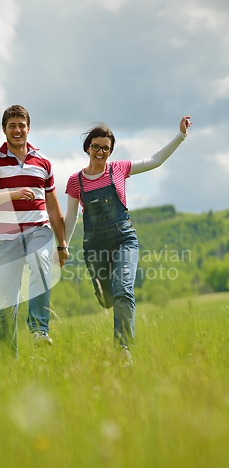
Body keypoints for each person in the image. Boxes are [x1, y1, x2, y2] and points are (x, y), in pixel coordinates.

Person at [64, 116, 192, 364]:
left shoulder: (119, 169)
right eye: (96, 146)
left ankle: (123, 349)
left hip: (124, 238)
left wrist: (180, 136)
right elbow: (70, 217)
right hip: (95, 245)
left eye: (106, 148)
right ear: (87, 147)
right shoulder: (75, 181)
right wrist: (63, 247)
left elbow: (155, 160)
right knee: (107, 299)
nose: (100, 152)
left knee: (123, 290)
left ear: (111, 151)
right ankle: (111, 308)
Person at [0, 105, 69, 356]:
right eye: (12, 125)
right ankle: (7, 368)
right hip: (5, 238)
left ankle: (39, 329)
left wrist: (62, 244)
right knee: (5, 307)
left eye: (21, 125)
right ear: (4, 129)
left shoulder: (43, 162)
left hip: (39, 229)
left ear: (29, 128)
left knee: (40, 260)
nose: (17, 130)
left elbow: (54, 207)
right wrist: (12, 193)